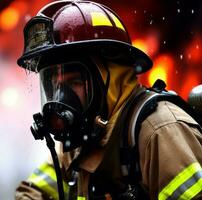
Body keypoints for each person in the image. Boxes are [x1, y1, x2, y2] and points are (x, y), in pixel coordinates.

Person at [15, 1, 202, 200]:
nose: (62, 96)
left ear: (111, 78)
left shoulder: (158, 132)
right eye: (55, 85)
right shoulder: (81, 141)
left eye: (75, 81)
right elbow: (32, 192)